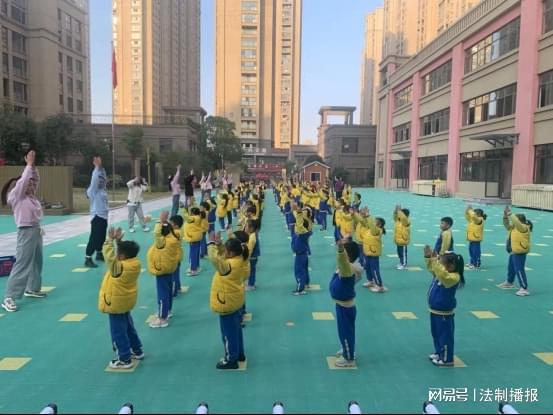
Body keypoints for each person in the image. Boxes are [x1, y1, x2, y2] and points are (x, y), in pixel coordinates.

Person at [1, 150, 46, 313]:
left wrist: (33, 166)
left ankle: (32, 288)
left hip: (36, 230)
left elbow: (35, 179)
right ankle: (9, 297)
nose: (33, 185)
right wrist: (27, 166)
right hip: (26, 231)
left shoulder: (31, 197)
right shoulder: (16, 195)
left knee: (37, 261)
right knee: (22, 263)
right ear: (21, 185)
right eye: (29, 183)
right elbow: (24, 181)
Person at [98, 227, 144, 369]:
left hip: (115, 303)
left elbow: (110, 257)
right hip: (125, 301)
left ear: (122, 256)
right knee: (129, 327)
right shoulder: (134, 263)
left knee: (118, 331)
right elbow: (122, 255)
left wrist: (109, 241)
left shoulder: (119, 268)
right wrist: (119, 241)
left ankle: (124, 358)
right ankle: (137, 350)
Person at [207, 232, 249, 369]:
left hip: (226, 303)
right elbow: (222, 258)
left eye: (225, 250)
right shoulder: (240, 260)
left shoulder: (228, 266)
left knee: (227, 334)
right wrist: (219, 245)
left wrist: (212, 244)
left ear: (230, 253)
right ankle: (239, 354)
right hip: (235, 301)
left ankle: (231, 360)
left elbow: (215, 259)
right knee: (236, 331)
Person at [424, 246, 465, 367]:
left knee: (445, 336)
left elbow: (441, 273)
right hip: (435, 310)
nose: (440, 264)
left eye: (442, 262)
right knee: (436, 333)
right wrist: (429, 258)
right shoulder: (442, 272)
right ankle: (439, 352)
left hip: (444, 313)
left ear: (451, 266)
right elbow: (434, 269)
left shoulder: (452, 277)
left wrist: (435, 260)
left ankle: (447, 359)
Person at [330, 239, 363, 367]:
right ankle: (346, 348)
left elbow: (342, 261)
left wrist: (340, 250)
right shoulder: (347, 268)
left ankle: (349, 358)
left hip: (345, 306)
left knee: (346, 332)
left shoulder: (348, 270)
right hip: (341, 304)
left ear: (347, 255)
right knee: (343, 331)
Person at [146, 211, 180, 328]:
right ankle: (167, 310)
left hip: (162, 270)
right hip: (169, 269)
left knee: (162, 294)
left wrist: (160, 221)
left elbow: (156, 233)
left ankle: (162, 318)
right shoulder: (173, 239)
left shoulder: (163, 242)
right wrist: (164, 222)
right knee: (168, 291)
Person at [498, 207, 533, 296]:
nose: (512, 221)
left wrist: (510, 214)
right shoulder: (513, 227)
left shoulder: (523, 227)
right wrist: (505, 216)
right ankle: (509, 282)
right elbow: (506, 225)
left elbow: (517, 222)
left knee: (519, 270)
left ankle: (524, 288)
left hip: (520, 252)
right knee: (511, 268)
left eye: (514, 220)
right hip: (514, 251)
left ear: (519, 220)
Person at [84, 156, 109, 268]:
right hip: (97, 216)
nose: (101, 181)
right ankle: (88, 258)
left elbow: (102, 177)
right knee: (94, 238)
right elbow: (94, 179)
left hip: (104, 216)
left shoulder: (102, 190)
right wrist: (96, 167)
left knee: (102, 237)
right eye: (99, 180)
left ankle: (99, 253)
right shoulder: (93, 191)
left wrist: (101, 168)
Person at [358, 208, 387, 293]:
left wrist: (368, 216)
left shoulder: (378, 230)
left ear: (379, 224)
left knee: (374, 269)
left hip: (373, 253)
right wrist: (362, 215)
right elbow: (364, 222)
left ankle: (380, 286)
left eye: (375, 221)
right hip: (367, 252)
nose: (373, 221)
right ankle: (370, 281)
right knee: (367, 267)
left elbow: (371, 225)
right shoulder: (370, 230)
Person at [393, 205, 411, 270]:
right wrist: (396, 211)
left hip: (403, 241)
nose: (398, 215)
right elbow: (395, 217)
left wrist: (399, 211)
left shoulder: (407, 221)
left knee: (403, 253)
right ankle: (401, 262)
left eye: (400, 214)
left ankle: (404, 264)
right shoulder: (398, 221)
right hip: (398, 240)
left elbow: (404, 218)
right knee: (399, 253)